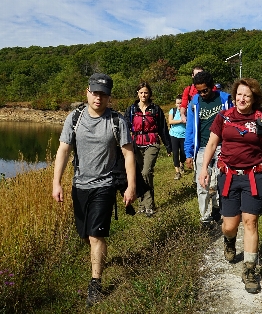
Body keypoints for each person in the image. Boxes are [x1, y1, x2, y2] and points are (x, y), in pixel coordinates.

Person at [52, 73, 137, 307]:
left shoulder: (117, 121)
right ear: (87, 92)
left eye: (104, 94)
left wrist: (131, 186)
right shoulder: (75, 118)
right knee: (86, 235)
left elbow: (128, 154)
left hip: (105, 185)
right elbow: (63, 150)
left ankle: (95, 283)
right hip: (79, 185)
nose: (99, 97)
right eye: (95, 92)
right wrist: (56, 182)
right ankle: (98, 262)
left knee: (95, 234)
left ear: (109, 97)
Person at [199, 77, 262, 294]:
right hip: (228, 176)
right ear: (234, 96)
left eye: (247, 95)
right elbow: (211, 143)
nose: (242, 98)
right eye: (239, 94)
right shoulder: (223, 117)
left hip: (254, 177)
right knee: (230, 225)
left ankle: (249, 270)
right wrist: (204, 169)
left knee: (250, 222)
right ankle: (229, 242)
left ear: (254, 98)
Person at [184, 71, 233, 228]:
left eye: (205, 90)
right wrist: (188, 152)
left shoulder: (225, 100)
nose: (202, 94)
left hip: (223, 147)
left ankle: (220, 208)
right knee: (202, 183)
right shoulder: (195, 102)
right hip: (203, 147)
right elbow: (190, 129)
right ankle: (205, 216)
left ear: (212, 86)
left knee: (221, 181)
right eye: (199, 91)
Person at [124, 82, 172, 217]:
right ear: (137, 94)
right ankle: (141, 205)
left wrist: (168, 146)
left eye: (146, 92)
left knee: (146, 172)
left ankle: (149, 205)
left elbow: (163, 128)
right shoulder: (131, 110)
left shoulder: (155, 109)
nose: (143, 95)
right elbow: (125, 129)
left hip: (152, 143)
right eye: (141, 92)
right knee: (139, 174)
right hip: (136, 144)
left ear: (149, 94)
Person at [168, 95, 186, 180]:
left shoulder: (186, 111)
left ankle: (182, 164)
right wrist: (181, 121)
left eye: (181, 103)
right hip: (174, 135)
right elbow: (170, 121)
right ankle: (177, 172)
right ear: (175, 104)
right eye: (178, 103)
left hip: (184, 135)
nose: (179, 105)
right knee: (175, 153)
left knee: (183, 152)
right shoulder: (173, 111)